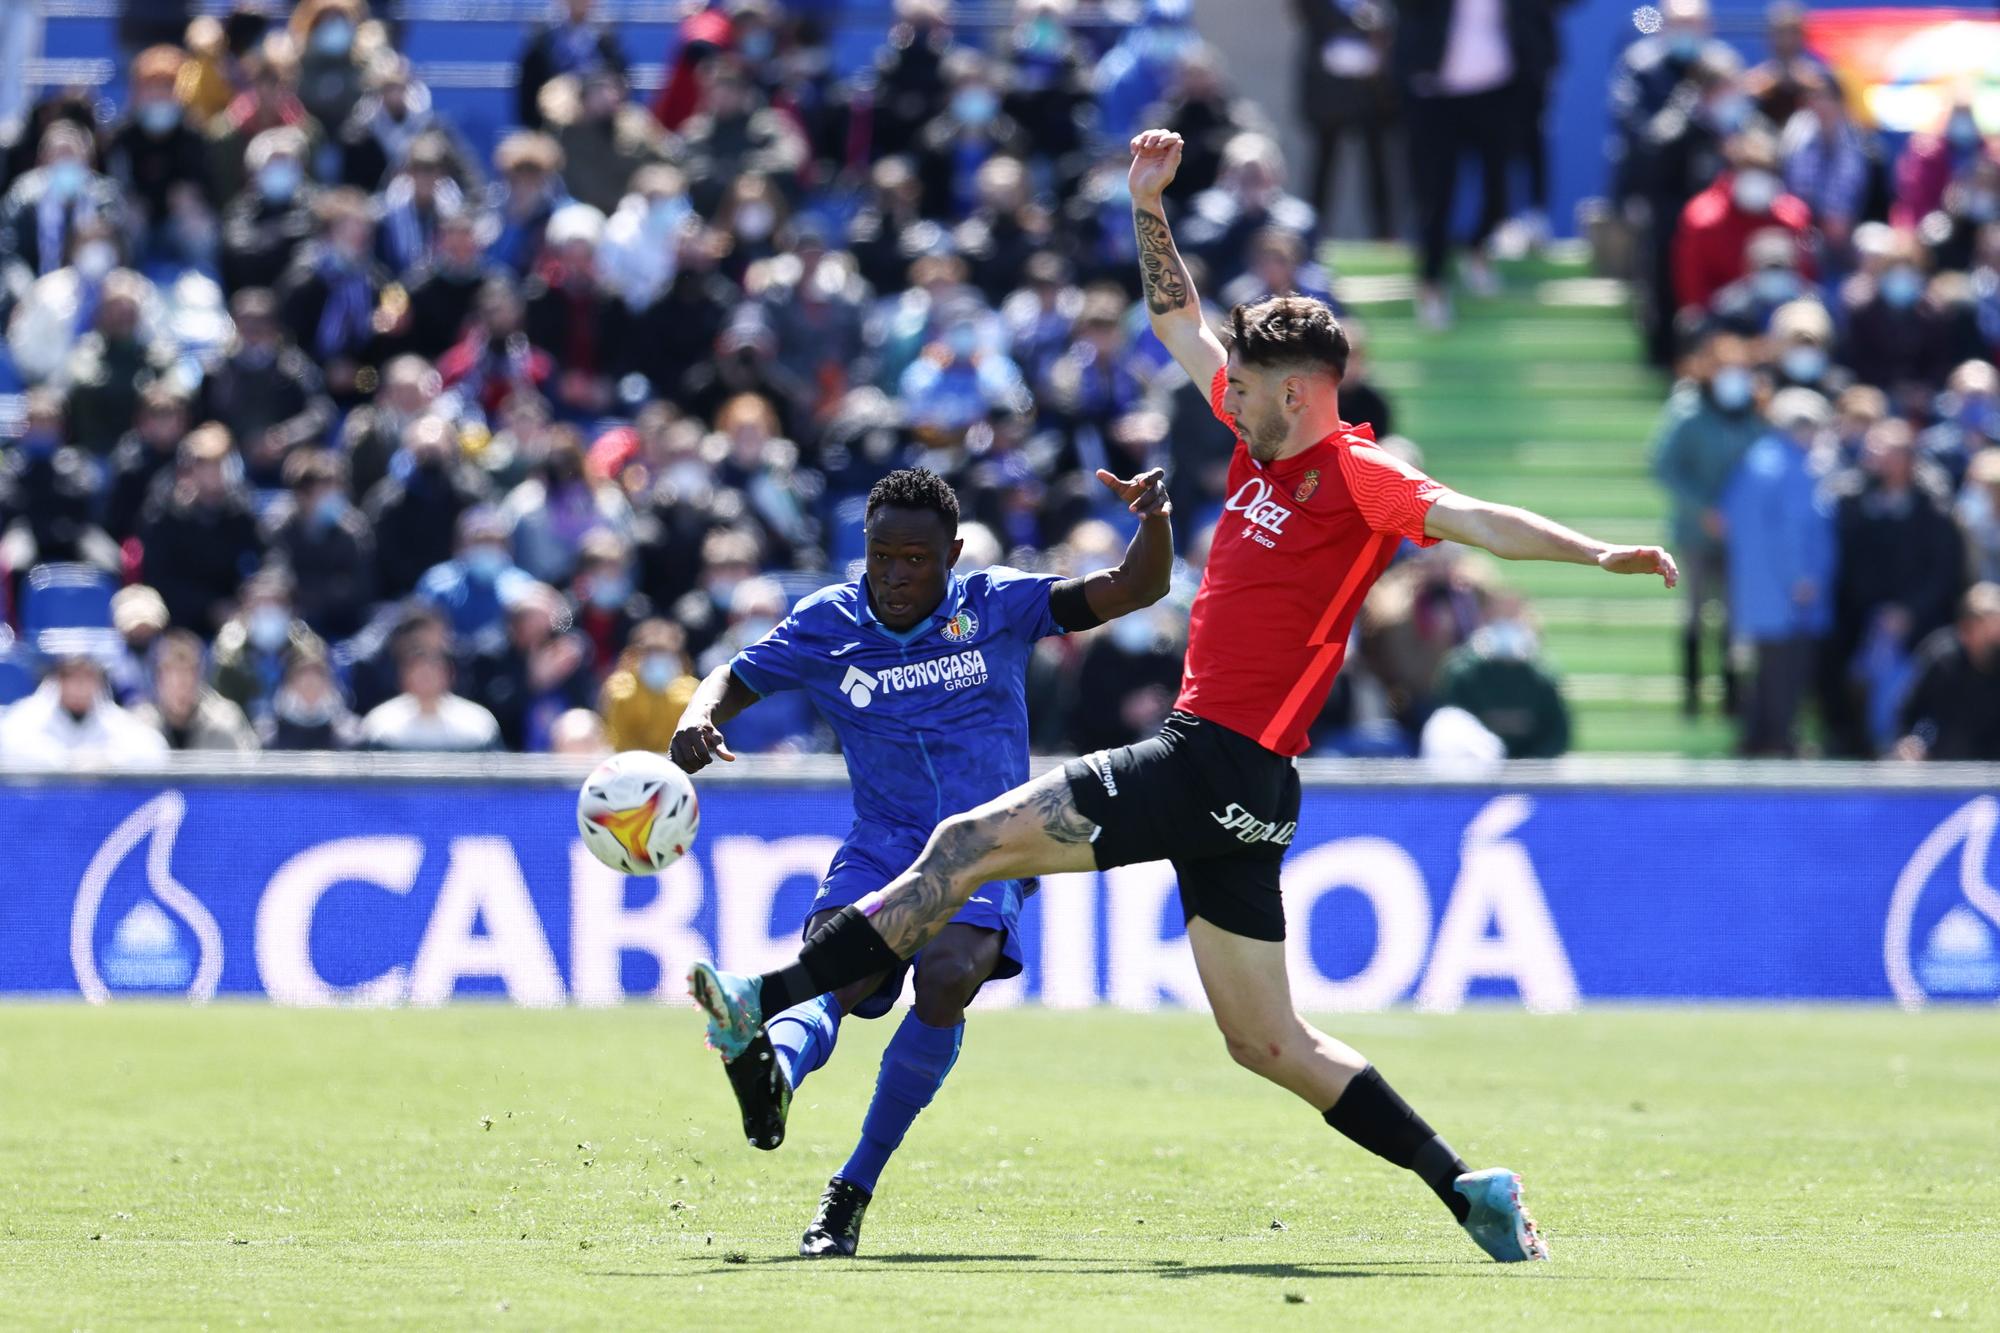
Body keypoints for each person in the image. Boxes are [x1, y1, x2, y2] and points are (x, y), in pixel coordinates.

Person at [683, 129, 1680, 1266]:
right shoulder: (1262, 444)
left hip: (1209, 758)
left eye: (1244, 387)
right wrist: (1145, 204)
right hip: (1249, 788)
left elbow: (1472, 516)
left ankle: (761, 999)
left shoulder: (1357, 476)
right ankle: (1468, 1188)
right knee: (1270, 1044)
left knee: (965, 841)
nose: (1224, 396)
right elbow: (1174, 320)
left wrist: (1598, 554)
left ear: (1300, 394)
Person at [669, 462, 1174, 1257]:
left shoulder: (998, 604)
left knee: (945, 977)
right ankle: (772, 1076)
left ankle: (851, 1188)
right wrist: (698, 716)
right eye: (882, 556)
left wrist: (1155, 521)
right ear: (862, 550)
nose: (897, 575)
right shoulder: (827, 621)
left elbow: (1130, 589)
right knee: (842, 973)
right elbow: (734, 676)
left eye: (916, 558)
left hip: (986, 846)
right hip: (884, 839)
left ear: (955, 552)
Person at [1718, 387, 1836, 756]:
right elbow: (1791, 531)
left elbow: (1728, 518)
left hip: (1759, 596)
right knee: (1786, 675)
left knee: (1766, 675)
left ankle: (1758, 740)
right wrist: (1799, 578)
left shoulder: (1757, 459)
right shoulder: (1790, 466)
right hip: (1788, 598)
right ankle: (1780, 743)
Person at [1892, 583, 2000, 762]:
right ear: (1965, 629)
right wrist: (1910, 744)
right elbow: (1907, 713)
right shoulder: (1942, 658)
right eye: (1986, 625)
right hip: (1937, 767)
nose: (1993, 633)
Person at [0, 654, 169, 765]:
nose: (80, 686)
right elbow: (7, 744)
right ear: (58, 679)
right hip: (39, 811)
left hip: (98, 813)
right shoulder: (29, 715)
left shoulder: (111, 719)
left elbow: (156, 750)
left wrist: (109, 759)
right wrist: (66, 761)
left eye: (87, 677)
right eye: (72, 677)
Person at [359, 641, 502, 751]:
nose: (426, 679)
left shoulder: (478, 722)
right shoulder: (380, 723)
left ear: (449, 674)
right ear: (403, 677)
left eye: (432, 671)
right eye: (418, 672)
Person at [133, 630, 260, 752]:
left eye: (188, 677)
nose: (181, 689)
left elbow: (249, 767)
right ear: (158, 680)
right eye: (173, 680)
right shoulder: (138, 725)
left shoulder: (227, 721)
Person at [597, 617, 697, 753]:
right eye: (650, 651)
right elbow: (616, 738)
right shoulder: (619, 688)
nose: (658, 658)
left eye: (664, 652)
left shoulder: (691, 691)